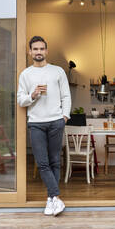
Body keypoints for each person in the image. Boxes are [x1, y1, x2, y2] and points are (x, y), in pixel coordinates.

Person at [17, 36, 71, 216]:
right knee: (42, 163)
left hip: (56, 121)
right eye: (35, 49)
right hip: (36, 124)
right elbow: (20, 100)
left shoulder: (58, 71)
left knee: (55, 161)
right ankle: (56, 197)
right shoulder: (25, 74)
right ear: (30, 52)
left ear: (46, 51)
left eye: (41, 49)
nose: (38, 52)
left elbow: (66, 96)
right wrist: (32, 95)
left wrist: (64, 116)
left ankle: (50, 200)